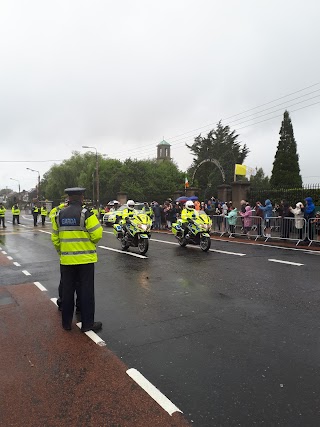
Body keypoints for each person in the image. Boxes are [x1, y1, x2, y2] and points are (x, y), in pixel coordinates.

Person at [51, 187, 103, 332]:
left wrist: (62, 252)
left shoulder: (59, 214)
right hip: (85, 260)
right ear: (81, 197)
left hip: (66, 261)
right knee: (86, 292)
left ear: (68, 198)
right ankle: (87, 325)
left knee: (67, 292)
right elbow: (97, 234)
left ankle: (66, 324)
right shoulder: (86, 213)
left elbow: (55, 238)